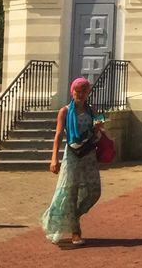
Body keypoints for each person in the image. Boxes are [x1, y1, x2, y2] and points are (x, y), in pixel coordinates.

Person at [42, 76, 102, 246]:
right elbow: (59, 135)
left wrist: (98, 128)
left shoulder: (92, 110)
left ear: (88, 92)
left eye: (84, 91)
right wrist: (54, 158)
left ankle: (73, 216)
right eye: (78, 90)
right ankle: (75, 231)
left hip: (89, 155)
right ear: (72, 91)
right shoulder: (65, 111)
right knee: (71, 193)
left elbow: (98, 134)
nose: (80, 94)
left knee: (94, 191)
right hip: (73, 155)